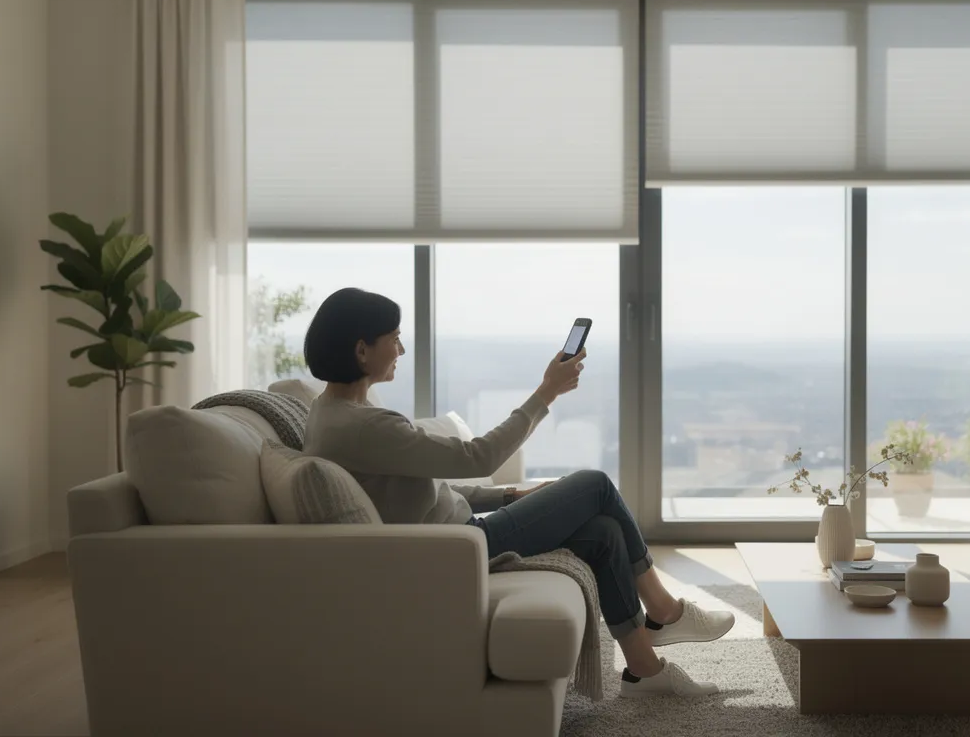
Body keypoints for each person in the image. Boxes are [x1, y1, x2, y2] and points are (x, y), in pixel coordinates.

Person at [301, 287, 734, 698]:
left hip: (457, 536)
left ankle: (644, 671)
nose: (401, 350)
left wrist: (510, 495)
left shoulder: (336, 412)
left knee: (603, 532)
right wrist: (547, 391)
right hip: (462, 547)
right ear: (361, 350)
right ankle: (664, 612)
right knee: (597, 484)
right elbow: (479, 456)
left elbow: (432, 488)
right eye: (394, 339)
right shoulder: (366, 426)